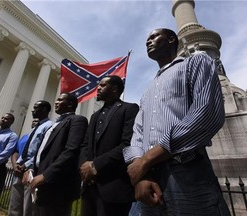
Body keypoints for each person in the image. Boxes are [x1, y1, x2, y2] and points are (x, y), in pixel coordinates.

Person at [123, 28, 231, 215]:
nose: (148, 41)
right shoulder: (148, 91)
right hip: (149, 179)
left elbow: (206, 113)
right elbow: (138, 132)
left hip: (186, 171)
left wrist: (146, 160)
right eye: (147, 39)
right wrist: (142, 174)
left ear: (172, 39)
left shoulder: (196, 62)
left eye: (155, 36)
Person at [79, 75, 139, 216]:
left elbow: (127, 145)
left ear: (114, 89)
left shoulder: (129, 109)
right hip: (90, 187)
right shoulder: (95, 116)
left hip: (114, 188)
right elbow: (85, 145)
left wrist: (95, 166)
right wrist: (84, 167)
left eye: (102, 85)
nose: (98, 88)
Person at [26, 93, 88, 216]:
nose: (56, 102)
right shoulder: (54, 124)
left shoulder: (77, 120)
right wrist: (31, 169)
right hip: (40, 182)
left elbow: (71, 151)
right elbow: (41, 152)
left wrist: (46, 175)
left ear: (70, 104)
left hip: (58, 186)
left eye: (60, 99)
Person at [8, 100, 53, 216]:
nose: (33, 110)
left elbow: (42, 151)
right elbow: (26, 149)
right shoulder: (34, 128)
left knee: (28, 208)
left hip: (31, 171)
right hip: (20, 169)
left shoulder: (49, 126)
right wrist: (17, 164)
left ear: (44, 110)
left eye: (36, 107)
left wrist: (26, 165)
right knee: (14, 205)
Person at [8, 118, 39, 216]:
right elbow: (15, 151)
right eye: (33, 120)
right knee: (15, 202)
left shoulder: (41, 137)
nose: (34, 122)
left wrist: (25, 165)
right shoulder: (25, 136)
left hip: (31, 172)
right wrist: (14, 165)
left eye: (37, 121)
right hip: (18, 171)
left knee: (28, 204)